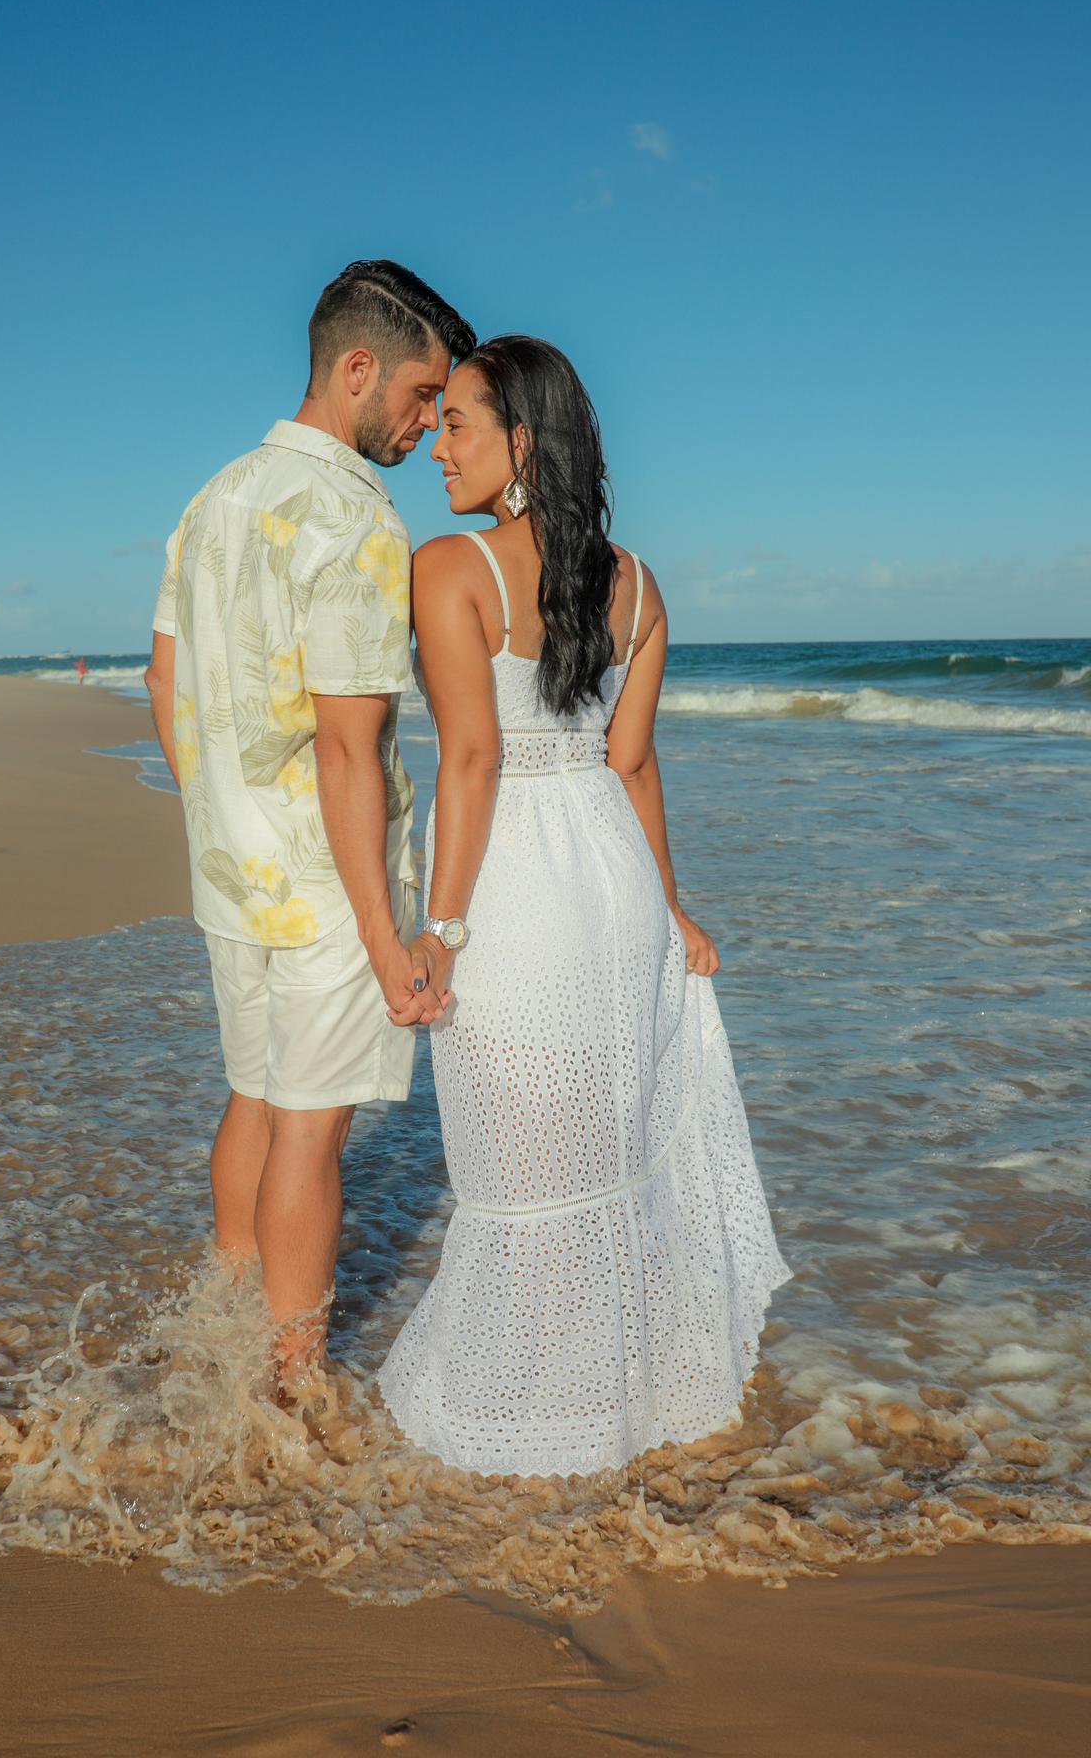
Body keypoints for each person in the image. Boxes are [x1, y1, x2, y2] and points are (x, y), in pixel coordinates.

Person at [379, 336, 791, 1477]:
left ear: (519, 443)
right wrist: (671, 909)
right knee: (597, 1138)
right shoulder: (639, 581)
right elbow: (634, 764)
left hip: (515, 883)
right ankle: (619, 1393)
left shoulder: (452, 566)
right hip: (609, 882)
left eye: (456, 423)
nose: (437, 446)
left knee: (518, 1160)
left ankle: (532, 1416)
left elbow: (471, 760)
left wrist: (440, 930)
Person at [145, 261, 475, 1380]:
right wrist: (389, 943)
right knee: (312, 1127)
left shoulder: (215, 494)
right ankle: (291, 1385)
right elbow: (348, 746)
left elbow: (162, 677)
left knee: (253, 1095)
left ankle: (225, 1316)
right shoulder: (354, 519)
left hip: (229, 863)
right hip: (329, 881)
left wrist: (216, 808)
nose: (429, 421)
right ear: (356, 370)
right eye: (423, 395)